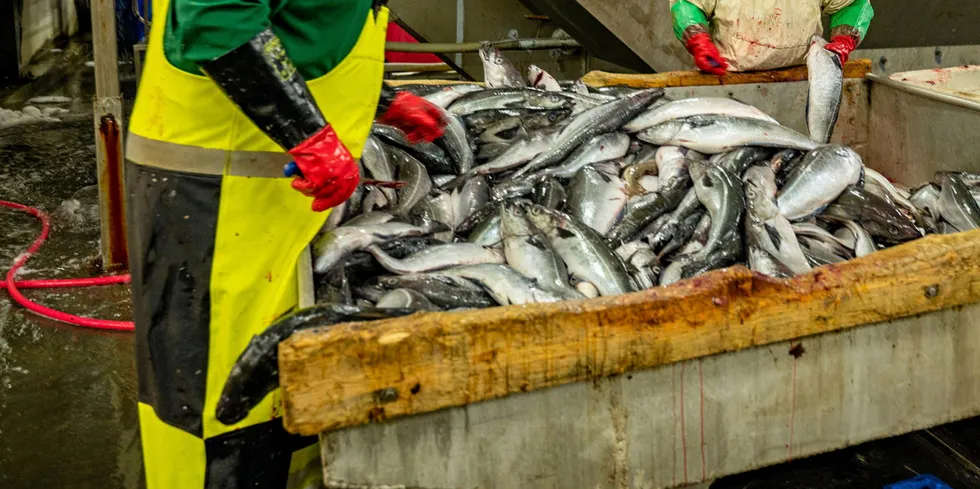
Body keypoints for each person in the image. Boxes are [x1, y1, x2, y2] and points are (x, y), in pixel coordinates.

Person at [123, 0, 446, 487]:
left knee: (269, 393)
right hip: (212, 205)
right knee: (216, 407)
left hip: (271, 211)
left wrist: (381, 100)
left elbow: (298, 30)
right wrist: (308, 134)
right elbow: (218, 18)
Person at [670, 0, 875, 74]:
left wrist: (844, 40)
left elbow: (853, 4)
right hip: (727, 79)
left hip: (802, 81)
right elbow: (687, 5)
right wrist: (698, 41)